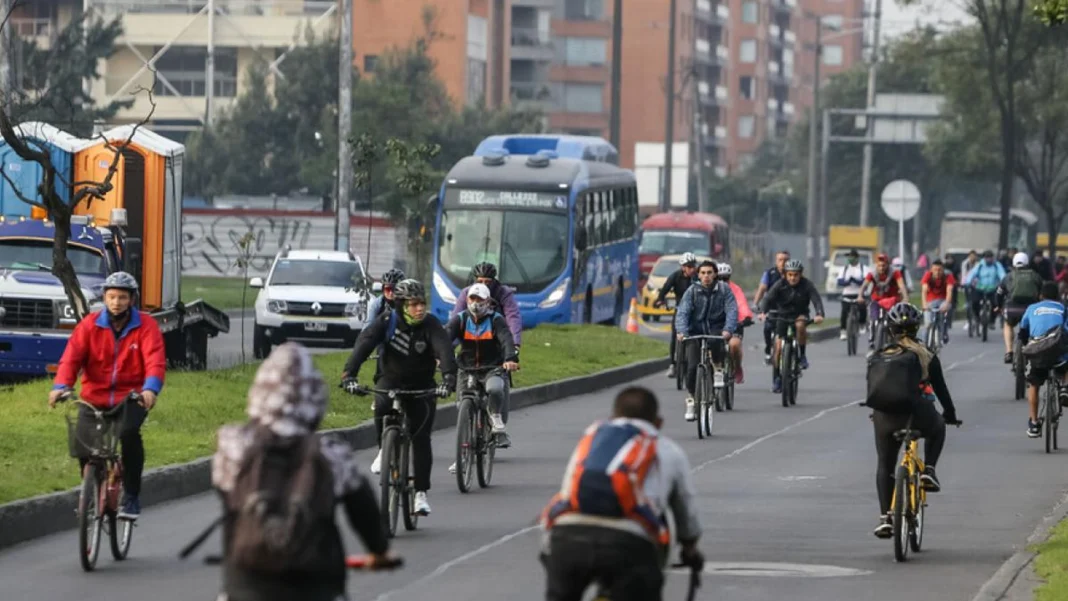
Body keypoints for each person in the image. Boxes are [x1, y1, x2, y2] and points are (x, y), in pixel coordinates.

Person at [210, 343, 398, 601]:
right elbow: (363, 510)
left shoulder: (233, 448)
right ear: (314, 396)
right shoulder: (331, 455)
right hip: (315, 585)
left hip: (247, 584)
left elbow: (231, 512)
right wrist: (379, 551)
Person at [539, 386, 704, 601]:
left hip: (568, 538)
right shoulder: (666, 449)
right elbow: (685, 509)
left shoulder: (592, 437)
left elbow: (569, 489)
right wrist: (690, 548)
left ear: (613, 417)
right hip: (628, 544)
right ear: (658, 423)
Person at [49, 271, 165, 520]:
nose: (116, 302)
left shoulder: (146, 326)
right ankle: (93, 483)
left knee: (128, 434)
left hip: (130, 398)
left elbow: (155, 361)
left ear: (131, 299)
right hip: (93, 397)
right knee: (82, 447)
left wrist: (150, 389)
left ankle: (131, 496)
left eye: (122, 297)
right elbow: (71, 359)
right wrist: (60, 386)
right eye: (111, 297)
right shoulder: (89, 326)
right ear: (104, 297)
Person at [341, 279, 457, 516]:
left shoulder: (431, 325)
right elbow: (363, 346)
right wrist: (349, 375)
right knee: (381, 406)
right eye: (413, 304)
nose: (419, 309)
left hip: (422, 386)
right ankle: (385, 448)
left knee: (421, 437)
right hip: (390, 380)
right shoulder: (386, 322)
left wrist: (448, 379)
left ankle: (420, 493)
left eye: (422, 303)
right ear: (401, 305)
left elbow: (444, 350)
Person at [866, 303, 959, 538]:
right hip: (916, 414)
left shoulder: (878, 355)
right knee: (937, 427)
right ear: (916, 328)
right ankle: (929, 470)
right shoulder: (924, 353)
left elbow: (874, 390)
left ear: (890, 329)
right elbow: (941, 389)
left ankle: (885, 517)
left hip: (884, 417)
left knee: (885, 464)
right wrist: (949, 414)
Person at [446, 283, 520, 465]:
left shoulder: (496, 320)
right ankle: (462, 455)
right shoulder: (461, 319)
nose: (475, 303)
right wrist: (439, 356)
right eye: (472, 299)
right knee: (462, 405)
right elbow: (445, 336)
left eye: (480, 300)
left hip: (491, 368)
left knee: (495, 389)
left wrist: (511, 358)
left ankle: (495, 418)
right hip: (466, 368)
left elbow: (506, 339)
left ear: (488, 302)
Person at [675, 261, 738, 422]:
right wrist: (682, 331)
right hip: (695, 331)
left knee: (717, 341)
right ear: (698, 275)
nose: (706, 276)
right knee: (691, 368)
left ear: (715, 274)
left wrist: (728, 329)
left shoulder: (724, 289)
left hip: (716, 328)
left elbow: (732, 310)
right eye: (703, 273)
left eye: (709, 273)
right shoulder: (692, 291)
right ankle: (691, 399)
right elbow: (682, 312)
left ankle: (717, 368)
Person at [758, 259, 825, 393]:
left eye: (796, 275)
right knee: (777, 347)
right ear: (785, 275)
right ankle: (777, 377)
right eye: (790, 275)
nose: (793, 278)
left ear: (800, 275)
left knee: (800, 326)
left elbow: (816, 299)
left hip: (800, 314)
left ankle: (802, 356)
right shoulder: (779, 284)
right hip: (782, 316)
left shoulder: (807, 285)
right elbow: (768, 298)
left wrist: (819, 314)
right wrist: (762, 312)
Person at [1017, 282, 1068, 438]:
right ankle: (1065, 387)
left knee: (1034, 384)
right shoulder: (1063, 308)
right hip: (1058, 353)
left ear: (1040, 296)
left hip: (1038, 351)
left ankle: (1033, 423)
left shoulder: (1032, 308)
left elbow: (1023, 330)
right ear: (1057, 296)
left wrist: (1028, 345)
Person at [450, 261, 523, 353]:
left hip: (496, 332)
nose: (483, 285)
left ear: (494, 281)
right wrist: (447, 347)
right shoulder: (467, 292)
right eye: (480, 281)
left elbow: (512, 316)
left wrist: (515, 343)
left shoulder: (503, 292)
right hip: (471, 332)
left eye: (487, 282)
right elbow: (456, 319)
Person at [655, 252, 699, 379]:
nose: (692, 269)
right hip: (680, 310)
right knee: (675, 335)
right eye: (689, 266)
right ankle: (673, 364)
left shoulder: (697, 277)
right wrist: (660, 299)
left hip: (696, 310)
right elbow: (665, 288)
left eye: (693, 266)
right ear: (683, 267)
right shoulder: (675, 276)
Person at [998, 251, 1044, 364]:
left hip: (1012, 308)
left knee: (1008, 324)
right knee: (1033, 329)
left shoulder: (1008, 276)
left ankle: (1009, 352)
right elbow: (1043, 293)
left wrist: (999, 306)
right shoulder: (1035, 276)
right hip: (1031, 309)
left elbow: (999, 293)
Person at [861, 254, 908, 351]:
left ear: (888, 265)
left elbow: (901, 285)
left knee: (897, 320)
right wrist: (859, 295)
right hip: (876, 300)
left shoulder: (895, 273)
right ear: (876, 265)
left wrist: (905, 298)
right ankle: (872, 340)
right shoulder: (872, 274)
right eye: (879, 265)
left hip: (892, 300)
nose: (881, 268)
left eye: (884, 265)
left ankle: (897, 338)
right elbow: (864, 285)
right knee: (873, 320)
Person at [716, 262, 752, 384]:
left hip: (734, 324)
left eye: (725, 278)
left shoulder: (736, 289)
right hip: (715, 325)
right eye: (719, 278)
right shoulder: (709, 288)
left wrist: (746, 317)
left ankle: (736, 367)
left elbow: (742, 304)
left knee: (734, 345)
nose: (722, 281)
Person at [753, 250, 791, 365]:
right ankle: (768, 351)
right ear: (776, 261)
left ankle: (794, 353)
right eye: (780, 260)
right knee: (767, 328)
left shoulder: (794, 274)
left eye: (786, 260)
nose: (783, 263)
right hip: (772, 308)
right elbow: (762, 289)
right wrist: (756, 305)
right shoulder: (769, 273)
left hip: (788, 308)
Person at [963, 250, 1007, 346]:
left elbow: (1002, 275)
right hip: (980, 288)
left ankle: (991, 320)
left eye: (990, 257)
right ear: (984, 258)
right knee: (974, 302)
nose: (988, 259)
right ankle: (977, 317)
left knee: (996, 304)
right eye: (987, 257)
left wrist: (1004, 283)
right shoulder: (980, 265)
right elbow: (972, 274)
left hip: (992, 288)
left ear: (993, 257)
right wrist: (967, 283)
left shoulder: (996, 265)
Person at [836, 249, 871, 341]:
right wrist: (847, 281)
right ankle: (843, 331)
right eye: (849, 257)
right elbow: (840, 281)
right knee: (844, 311)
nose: (850, 258)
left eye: (852, 257)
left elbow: (866, 281)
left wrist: (855, 281)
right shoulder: (844, 269)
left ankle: (862, 324)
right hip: (847, 293)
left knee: (862, 307)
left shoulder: (864, 268)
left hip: (860, 293)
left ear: (857, 258)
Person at [920, 260, 956, 345]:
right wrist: (924, 304)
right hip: (930, 301)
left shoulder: (948, 276)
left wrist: (947, 304)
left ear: (943, 270)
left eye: (939, 270)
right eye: (935, 270)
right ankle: (923, 344)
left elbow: (949, 291)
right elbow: (924, 290)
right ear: (931, 270)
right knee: (928, 323)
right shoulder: (927, 275)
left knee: (943, 318)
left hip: (943, 301)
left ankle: (943, 333)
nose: (937, 272)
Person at [959, 250, 980, 332]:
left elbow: (979, 275)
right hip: (967, 284)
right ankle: (969, 321)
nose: (972, 258)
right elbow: (963, 274)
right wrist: (963, 283)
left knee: (976, 302)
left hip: (977, 284)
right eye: (971, 256)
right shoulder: (965, 263)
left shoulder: (978, 264)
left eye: (974, 256)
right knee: (968, 303)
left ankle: (978, 318)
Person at [943, 254, 961, 330]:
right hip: (944, 287)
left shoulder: (956, 266)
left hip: (954, 286)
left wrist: (959, 282)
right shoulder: (943, 266)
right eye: (948, 259)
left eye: (951, 259)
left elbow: (959, 276)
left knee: (951, 304)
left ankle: (949, 320)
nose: (949, 260)